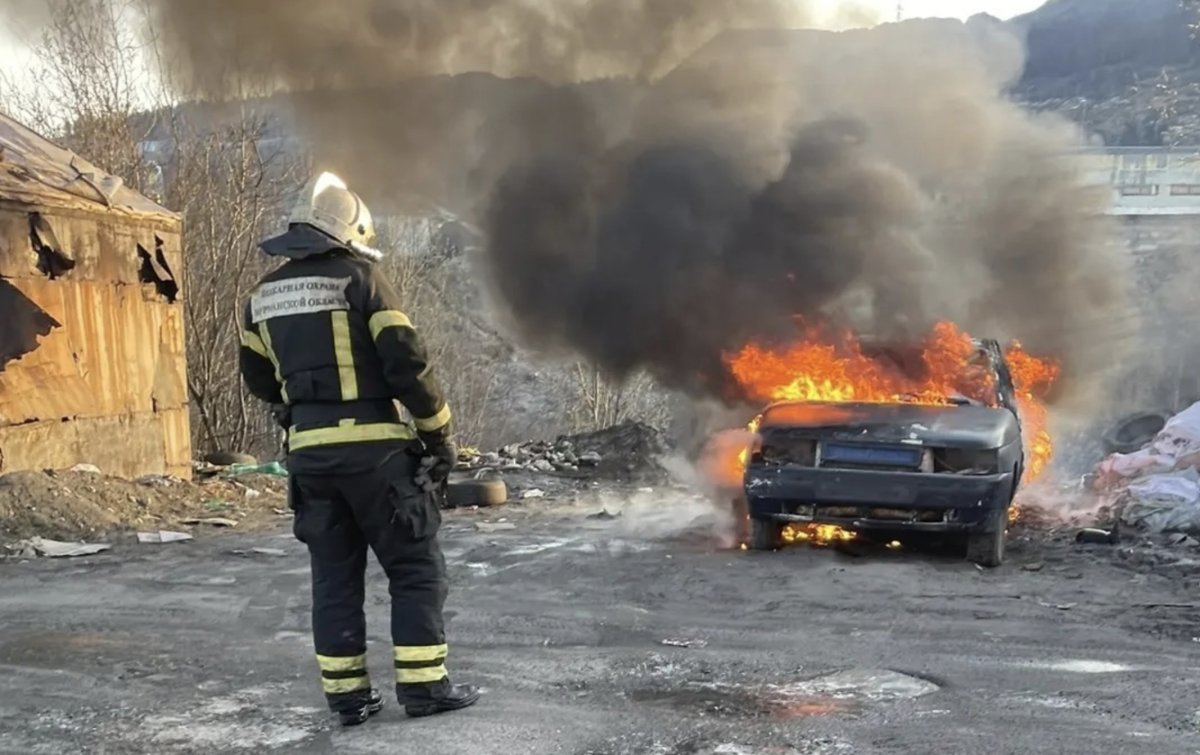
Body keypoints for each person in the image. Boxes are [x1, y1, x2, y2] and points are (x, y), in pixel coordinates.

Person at [238, 172, 479, 726]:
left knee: (334, 576)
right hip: (377, 456)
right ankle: (424, 688)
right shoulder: (362, 280)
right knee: (415, 568)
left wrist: (295, 407)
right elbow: (407, 363)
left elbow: (257, 377)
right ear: (350, 232)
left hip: (310, 458)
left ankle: (348, 699)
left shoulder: (261, 297)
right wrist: (438, 436)